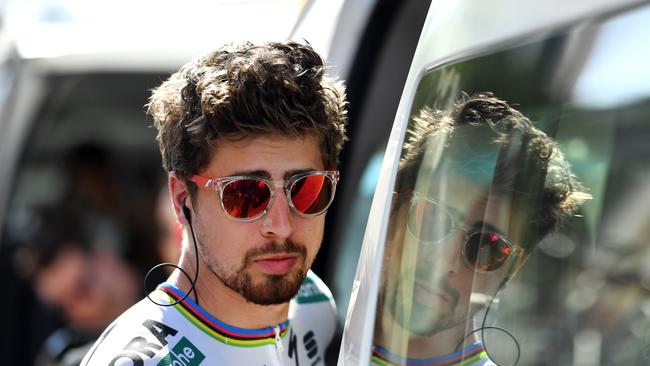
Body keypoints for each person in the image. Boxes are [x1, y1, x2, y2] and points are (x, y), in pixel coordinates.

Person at [81, 41, 347, 365]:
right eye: (246, 195)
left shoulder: (314, 303)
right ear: (182, 199)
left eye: (306, 188)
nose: (281, 225)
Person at [371, 93, 591, 365]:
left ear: (513, 267)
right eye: (433, 220)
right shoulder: (313, 322)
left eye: (487, 246)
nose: (443, 261)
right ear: (393, 208)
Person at [15, 206, 141, 366]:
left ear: (103, 254)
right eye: (70, 301)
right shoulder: (78, 358)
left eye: (84, 286)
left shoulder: (173, 276)